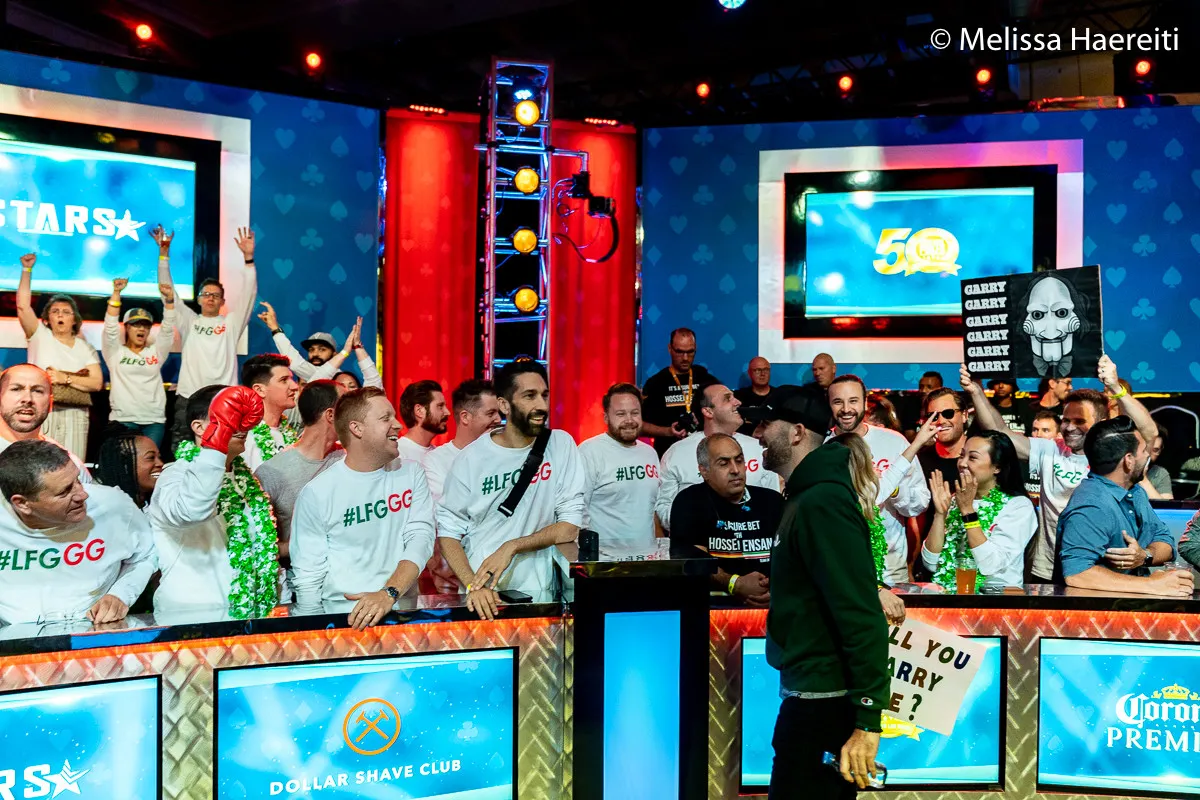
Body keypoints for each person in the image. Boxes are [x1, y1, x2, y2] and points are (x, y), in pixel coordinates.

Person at [744, 385, 889, 796]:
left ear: (796, 432)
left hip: (824, 704)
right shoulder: (806, 497)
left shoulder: (822, 501)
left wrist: (867, 721)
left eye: (766, 423)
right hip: (810, 695)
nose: (757, 433)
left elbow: (860, 613)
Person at [964, 354, 1157, 583]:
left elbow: (1149, 433)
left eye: (1079, 421)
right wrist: (976, 391)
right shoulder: (1050, 449)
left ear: (1101, 423)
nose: (1069, 427)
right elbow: (1000, 432)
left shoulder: (1115, 455)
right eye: (1066, 420)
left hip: (1100, 569)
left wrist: (1115, 387)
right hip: (1048, 568)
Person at [437, 361, 585, 619]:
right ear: (504, 405)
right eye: (529, 396)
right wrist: (472, 586)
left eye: (544, 395)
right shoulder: (471, 458)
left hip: (542, 594)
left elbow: (569, 527)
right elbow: (448, 532)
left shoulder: (561, 445)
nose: (541, 405)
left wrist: (512, 546)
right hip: (484, 598)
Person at [291, 387, 436, 629]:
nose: (398, 425)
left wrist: (389, 593)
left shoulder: (411, 473)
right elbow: (308, 579)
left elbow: (421, 538)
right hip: (343, 622)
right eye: (385, 418)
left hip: (403, 617)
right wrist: (315, 635)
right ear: (356, 428)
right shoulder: (318, 493)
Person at [148, 384, 280, 619]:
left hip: (247, 618)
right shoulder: (175, 475)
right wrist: (217, 442)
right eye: (228, 416)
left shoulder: (245, 479)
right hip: (191, 619)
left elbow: (261, 549)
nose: (238, 425)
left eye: (240, 416)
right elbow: (192, 510)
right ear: (199, 427)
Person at [0, 440, 154, 625]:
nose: (83, 494)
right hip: (13, 639)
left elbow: (147, 554)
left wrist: (121, 594)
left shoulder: (113, 505)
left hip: (93, 633)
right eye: (65, 491)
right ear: (22, 503)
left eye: (78, 480)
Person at [1055, 416, 1192, 597]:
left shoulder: (1135, 492)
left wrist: (1144, 555)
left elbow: (1165, 541)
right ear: (1128, 460)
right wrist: (1152, 584)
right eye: (1143, 450)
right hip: (1097, 612)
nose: (1148, 456)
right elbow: (1078, 574)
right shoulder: (1091, 505)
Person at [158, 225, 258, 452]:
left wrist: (248, 259)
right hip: (189, 397)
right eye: (206, 294)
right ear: (199, 300)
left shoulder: (231, 324)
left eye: (216, 295)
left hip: (223, 398)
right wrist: (163, 255)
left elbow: (249, 295)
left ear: (223, 301)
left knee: (224, 451)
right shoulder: (189, 321)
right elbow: (167, 292)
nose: (211, 298)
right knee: (183, 451)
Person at [836, 416, 941, 623]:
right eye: (867, 459)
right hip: (852, 592)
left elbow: (892, 475)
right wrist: (875, 589)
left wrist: (918, 442)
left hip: (875, 584)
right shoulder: (841, 500)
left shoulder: (868, 493)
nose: (873, 466)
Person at [828, 375, 929, 584]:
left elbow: (920, 503)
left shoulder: (893, 441)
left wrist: (895, 491)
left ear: (865, 403)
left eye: (853, 401)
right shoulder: (822, 445)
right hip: (839, 569)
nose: (846, 409)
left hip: (890, 568)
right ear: (829, 404)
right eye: (838, 402)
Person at [670, 433, 782, 606]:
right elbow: (689, 558)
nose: (735, 470)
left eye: (739, 460)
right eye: (724, 463)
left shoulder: (772, 501)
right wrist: (734, 583)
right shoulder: (689, 501)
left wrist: (772, 588)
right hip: (713, 606)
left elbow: (791, 556)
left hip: (772, 604)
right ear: (704, 471)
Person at [655, 383, 781, 532]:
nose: (738, 402)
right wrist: (699, 524)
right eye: (727, 399)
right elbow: (664, 508)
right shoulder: (677, 453)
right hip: (699, 543)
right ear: (708, 411)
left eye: (739, 460)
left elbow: (773, 504)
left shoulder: (759, 448)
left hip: (752, 540)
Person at [923, 432, 1037, 590]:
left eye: (972, 458)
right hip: (952, 596)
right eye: (962, 455)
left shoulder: (1018, 506)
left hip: (995, 599)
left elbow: (990, 565)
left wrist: (968, 511)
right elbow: (930, 563)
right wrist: (940, 514)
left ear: (997, 467)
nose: (962, 463)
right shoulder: (956, 500)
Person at [16, 253, 103, 459]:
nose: (60, 315)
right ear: (47, 319)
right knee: (39, 462)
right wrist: (27, 270)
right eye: (55, 311)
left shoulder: (84, 348)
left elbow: (97, 382)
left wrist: (65, 378)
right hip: (43, 410)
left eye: (66, 312)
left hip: (76, 413)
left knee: (73, 463)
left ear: (75, 319)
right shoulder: (39, 335)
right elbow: (22, 306)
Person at [254, 380, 345, 559]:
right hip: (301, 572)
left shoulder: (349, 457)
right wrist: (306, 545)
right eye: (348, 405)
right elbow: (259, 547)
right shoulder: (272, 473)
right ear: (331, 415)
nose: (355, 411)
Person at [579, 383, 661, 551]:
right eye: (621, 414)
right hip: (605, 560)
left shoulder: (650, 453)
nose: (629, 420)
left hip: (647, 558)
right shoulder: (589, 451)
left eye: (635, 413)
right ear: (606, 418)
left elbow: (652, 509)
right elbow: (578, 511)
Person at [101, 277, 177, 446]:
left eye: (146, 325)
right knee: (124, 461)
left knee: (149, 461)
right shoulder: (114, 352)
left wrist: (169, 301)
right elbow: (110, 327)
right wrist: (116, 293)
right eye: (136, 324)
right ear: (127, 327)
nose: (141, 328)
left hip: (154, 421)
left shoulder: (156, 353)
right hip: (123, 420)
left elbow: (167, 330)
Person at [257, 302, 382, 387]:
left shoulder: (338, 378)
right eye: (311, 350)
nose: (315, 354)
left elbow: (295, 364)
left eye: (322, 349)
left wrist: (275, 329)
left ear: (335, 354)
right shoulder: (311, 374)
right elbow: (296, 363)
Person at [0, 364, 92, 480]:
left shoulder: (69, 466)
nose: (27, 399)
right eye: (16, 389)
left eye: (37, 391)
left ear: (50, 403)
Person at [641, 328, 719, 456]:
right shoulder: (656, 383)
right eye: (679, 352)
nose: (685, 358)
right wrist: (668, 431)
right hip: (669, 453)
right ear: (670, 349)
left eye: (690, 352)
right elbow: (640, 426)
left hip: (705, 453)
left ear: (695, 349)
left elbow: (724, 410)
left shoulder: (705, 378)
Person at [423, 380, 502, 503]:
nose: (498, 419)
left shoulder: (503, 455)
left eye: (498, 413)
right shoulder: (435, 461)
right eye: (491, 413)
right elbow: (452, 506)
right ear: (465, 417)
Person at [238, 354, 300, 473]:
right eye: (284, 380)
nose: (295, 386)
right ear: (260, 390)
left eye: (292, 379)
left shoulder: (288, 431)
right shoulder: (243, 437)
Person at [916, 388, 970, 488]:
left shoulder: (979, 456)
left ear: (964, 415)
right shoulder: (919, 460)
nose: (941, 421)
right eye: (934, 416)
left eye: (948, 413)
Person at [96, 432, 163, 509]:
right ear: (124, 464)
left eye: (159, 457)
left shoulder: (163, 503)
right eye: (151, 457)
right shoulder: (107, 508)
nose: (160, 463)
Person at [397, 380, 450, 464]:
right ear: (419, 411)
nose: (447, 412)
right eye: (440, 406)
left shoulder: (439, 455)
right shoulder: (397, 454)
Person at [735, 357, 774, 435]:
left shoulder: (779, 395)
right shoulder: (738, 397)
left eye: (766, 370)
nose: (762, 374)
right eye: (758, 370)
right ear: (749, 373)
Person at [1143, 427, 1173, 500]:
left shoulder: (1160, 473)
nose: (1148, 454)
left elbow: (1166, 506)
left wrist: (1143, 479)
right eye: (1146, 449)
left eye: (1155, 450)